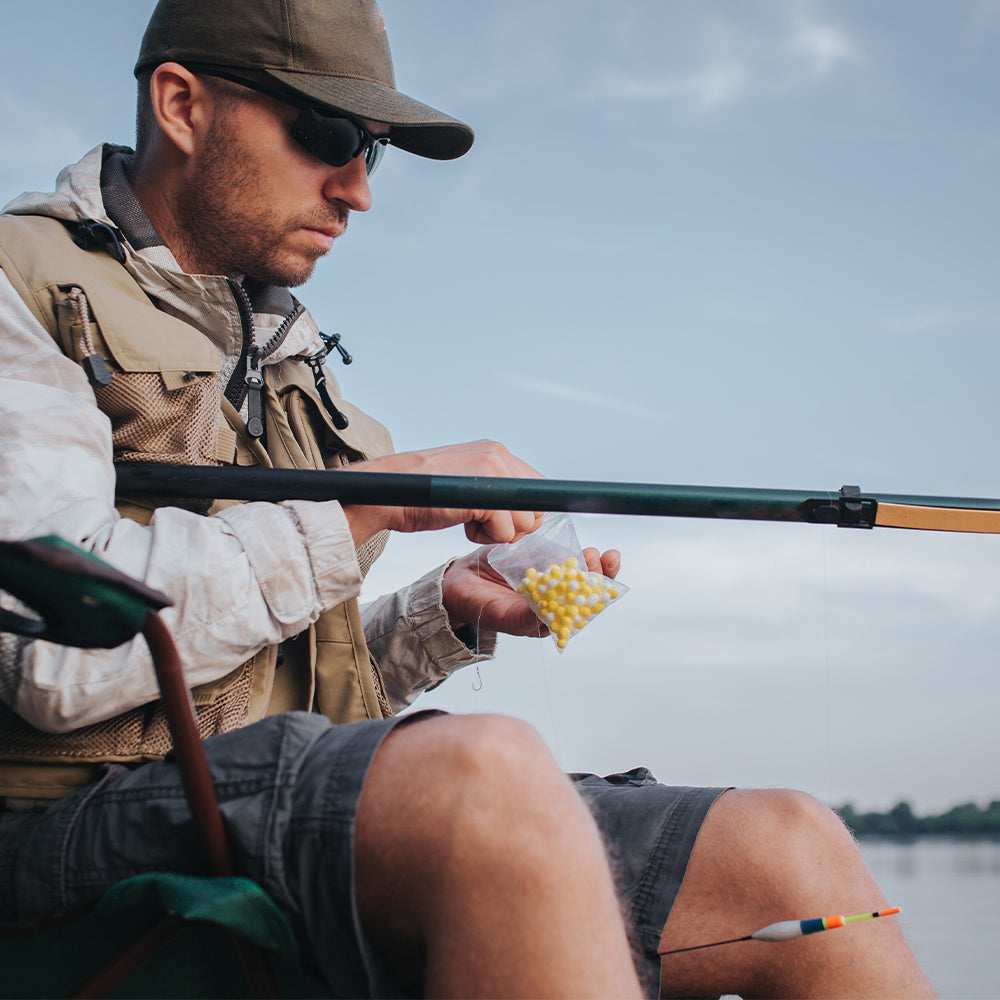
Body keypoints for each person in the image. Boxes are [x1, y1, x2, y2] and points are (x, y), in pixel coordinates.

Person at [0, 1, 935, 997]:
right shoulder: (21, 287)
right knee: (485, 778)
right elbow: (50, 656)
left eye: (373, 149)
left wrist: (436, 619)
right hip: (63, 827)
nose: (358, 187)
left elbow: (278, 697)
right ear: (181, 104)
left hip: (261, 800)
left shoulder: (292, 357)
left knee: (789, 846)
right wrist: (361, 509)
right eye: (325, 133)